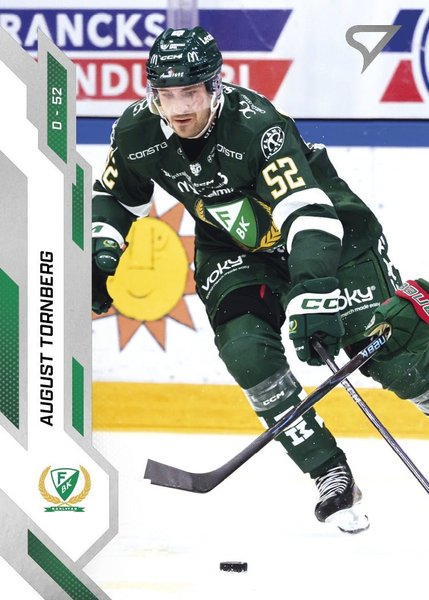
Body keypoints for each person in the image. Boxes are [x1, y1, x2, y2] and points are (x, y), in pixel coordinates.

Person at [92, 26, 429, 533]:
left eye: (191, 93)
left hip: (333, 237)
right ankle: (328, 471)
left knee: (392, 356)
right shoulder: (138, 132)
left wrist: (313, 291)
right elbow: (116, 196)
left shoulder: (256, 128)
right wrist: (100, 254)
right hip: (235, 248)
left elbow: (307, 213)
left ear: (215, 86)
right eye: (166, 94)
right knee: (246, 350)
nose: (179, 108)